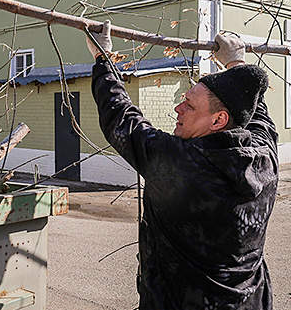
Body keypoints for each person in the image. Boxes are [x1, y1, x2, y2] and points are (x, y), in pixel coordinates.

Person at [87, 21, 278, 310]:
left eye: (190, 105)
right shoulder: (264, 157)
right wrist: (236, 63)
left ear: (219, 120)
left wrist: (103, 59)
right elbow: (256, 113)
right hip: (248, 302)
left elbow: (121, 120)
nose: (178, 108)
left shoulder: (183, 164)